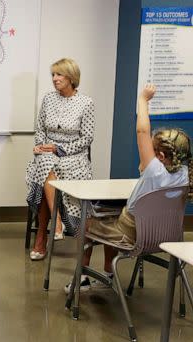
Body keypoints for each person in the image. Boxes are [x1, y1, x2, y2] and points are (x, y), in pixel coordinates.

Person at [65, 84, 192, 292]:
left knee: (85, 225)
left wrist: (143, 99)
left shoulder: (154, 171)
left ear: (159, 157)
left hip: (132, 236)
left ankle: (82, 278)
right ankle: (107, 274)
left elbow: (142, 129)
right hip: (167, 237)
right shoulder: (186, 176)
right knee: (110, 219)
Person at [26, 58, 95, 260]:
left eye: (59, 75)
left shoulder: (86, 103)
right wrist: (41, 145)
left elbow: (87, 138)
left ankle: (42, 237)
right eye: (53, 75)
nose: (55, 79)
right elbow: (40, 129)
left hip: (73, 156)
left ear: (71, 77)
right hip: (47, 153)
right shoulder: (48, 99)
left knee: (44, 175)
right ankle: (56, 223)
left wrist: (60, 148)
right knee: (45, 164)